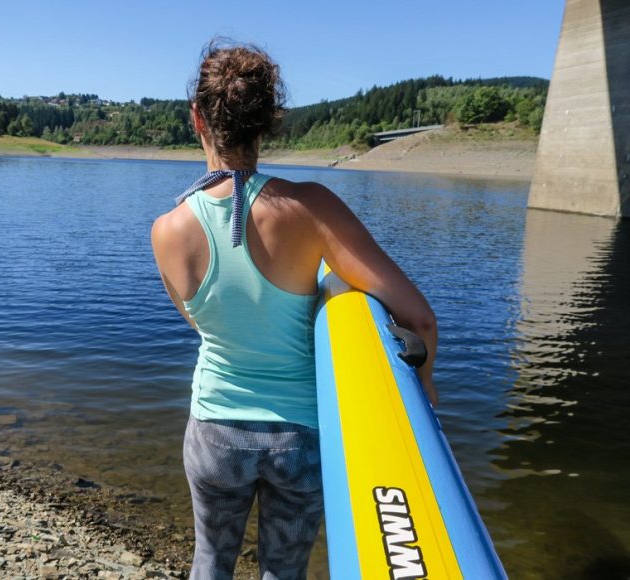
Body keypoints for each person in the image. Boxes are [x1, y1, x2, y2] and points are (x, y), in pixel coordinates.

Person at [151, 40, 437, 580]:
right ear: (269, 123)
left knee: (210, 562)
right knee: (284, 572)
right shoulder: (311, 207)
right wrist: (427, 386)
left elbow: (199, 322)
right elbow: (418, 318)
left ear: (197, 119)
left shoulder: (166, 231)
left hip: (214, 428)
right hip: (300, 436)